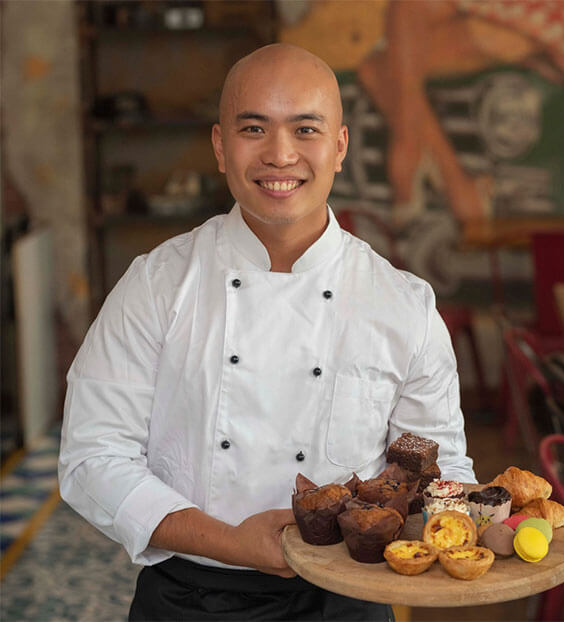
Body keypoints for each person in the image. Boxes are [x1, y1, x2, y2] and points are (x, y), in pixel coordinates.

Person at [58, 43, 476, 621]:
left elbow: (439, 469)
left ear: (340, 146)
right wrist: (231, 542)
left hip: (348, 599)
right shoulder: (157, 284)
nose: (280, 155)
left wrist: (489, 519)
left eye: (305, 129)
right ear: (220, 146)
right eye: (253, 128)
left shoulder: (403, 304)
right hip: (188, 599)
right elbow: (92, 456)